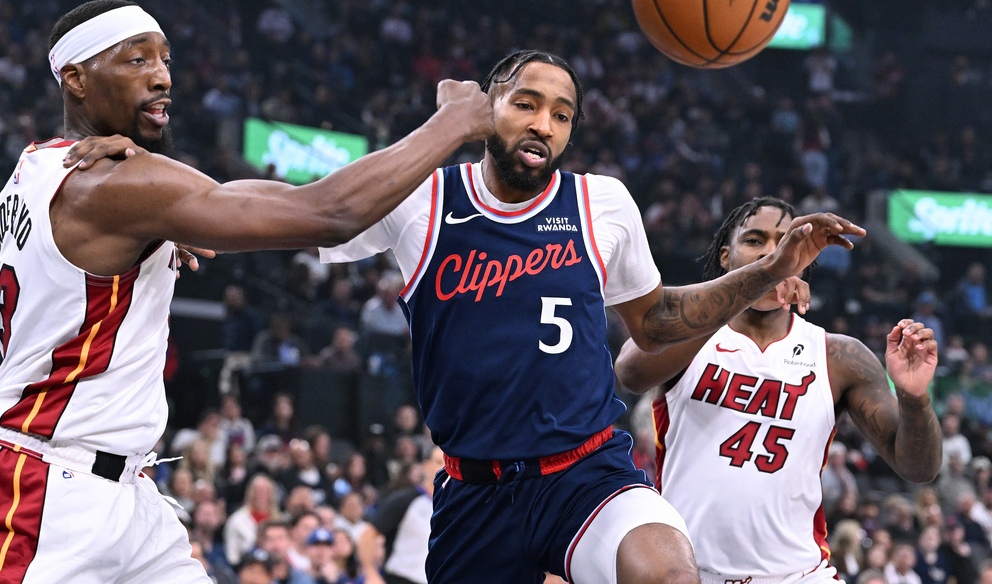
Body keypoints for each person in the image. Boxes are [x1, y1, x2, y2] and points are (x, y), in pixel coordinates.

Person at [0, 0, 494, 584]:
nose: (162, 75)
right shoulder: (119, 187)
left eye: (165, 59)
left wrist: (160, 230)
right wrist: (453, 124)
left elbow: (93, 246)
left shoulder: (34, 168)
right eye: (137, 60)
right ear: (75, 78)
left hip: (127, 496)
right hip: (46, 489)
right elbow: (332, 212)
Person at [320, 50, 866, 583]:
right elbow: (320, 212)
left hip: (583, 471)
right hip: (475, 487)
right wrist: (441, 129)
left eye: (561, 115)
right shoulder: (425, 197)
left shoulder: (600, 203)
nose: (543, 124)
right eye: (526, 104)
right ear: (488, 108)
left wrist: (768, 272)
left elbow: (655, 323)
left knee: (669, 573)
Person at [614, 196, 942, 583]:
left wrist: (914, 396)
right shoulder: (688, 331)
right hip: (690, 573)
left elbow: (919, 468)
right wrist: (759, 280)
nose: (773, 252)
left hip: (800, 574)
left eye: (786, 242)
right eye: (755, 241)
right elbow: (630, 372)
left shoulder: (839, 356)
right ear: (725, 256)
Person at [356, 444, 445, 584]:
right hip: (400, 578)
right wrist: (371, 573)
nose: (444, 468)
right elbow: (368, 535)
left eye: (448, 463)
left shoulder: (452, 507)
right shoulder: (405, 500)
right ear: (425, 467)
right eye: (439, 462)